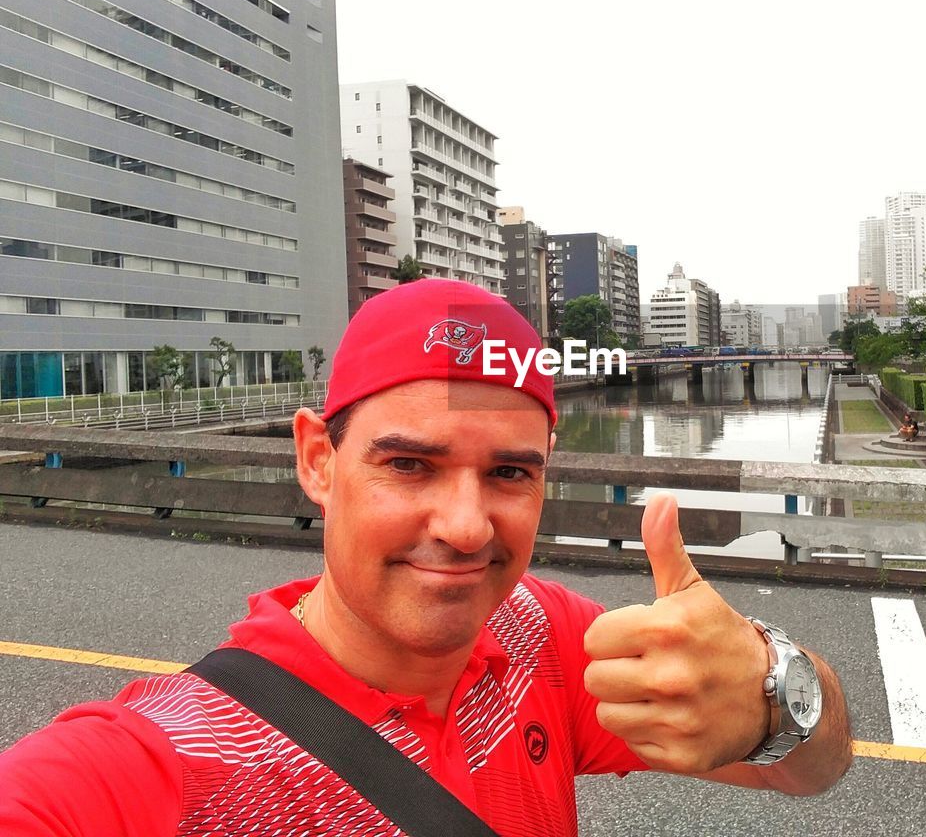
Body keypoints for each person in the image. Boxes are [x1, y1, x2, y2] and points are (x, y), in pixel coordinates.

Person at [0, 279, 852, 836]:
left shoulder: (538, 639)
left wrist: (776, 689)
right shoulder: (175, 758)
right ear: (317, 461)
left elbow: (815, 771)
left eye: (510, 473)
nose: (468, 525)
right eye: (409, 464)